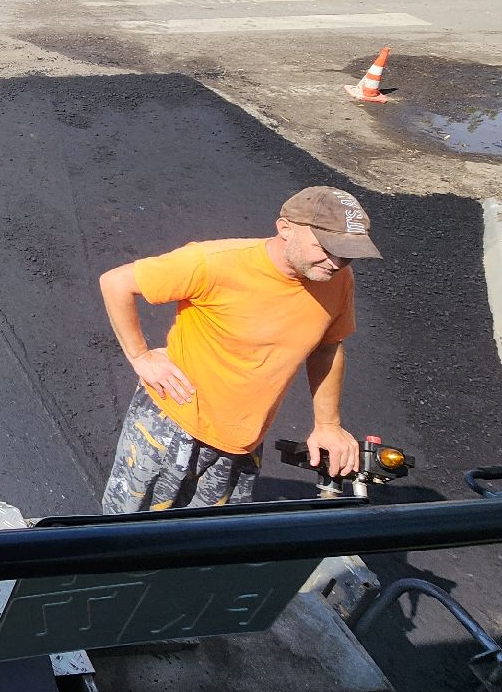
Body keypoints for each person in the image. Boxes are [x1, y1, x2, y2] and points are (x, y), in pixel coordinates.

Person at [97, 186, 381, 514]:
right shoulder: (215, 263)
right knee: (128, 536)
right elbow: (116, 283)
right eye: (326, 249)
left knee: (208, 543)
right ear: (286, 229)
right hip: (170, 428)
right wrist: (140, 356)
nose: (335, 262)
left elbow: (327, 348)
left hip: (241, 441)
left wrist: (328, 425)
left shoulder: (337, 279)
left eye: (346, 254)